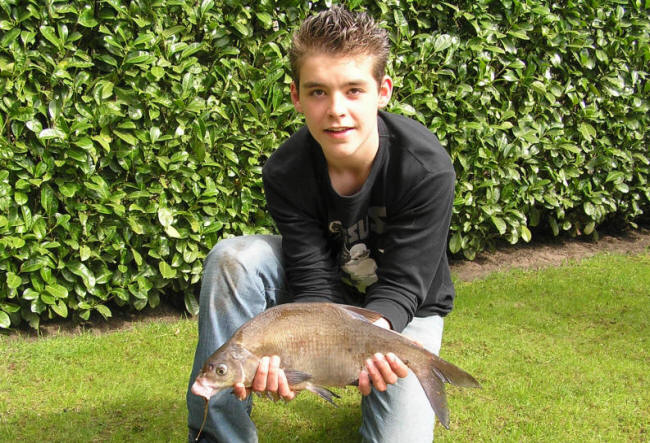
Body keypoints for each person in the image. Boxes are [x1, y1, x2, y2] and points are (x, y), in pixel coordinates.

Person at [187, 5, 456, 442]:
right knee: (233, 259)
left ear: (382, 91)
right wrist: (293, 358)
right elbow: (311, 276)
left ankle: (379, 388)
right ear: (296, 96)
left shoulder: (425, 167)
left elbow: (406, 284)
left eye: (353, 90)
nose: (336, 110)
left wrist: (370, 341)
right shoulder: (285, 170)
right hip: (322, 304)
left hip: (404, 309)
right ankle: (218, 434)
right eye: (318, 92)